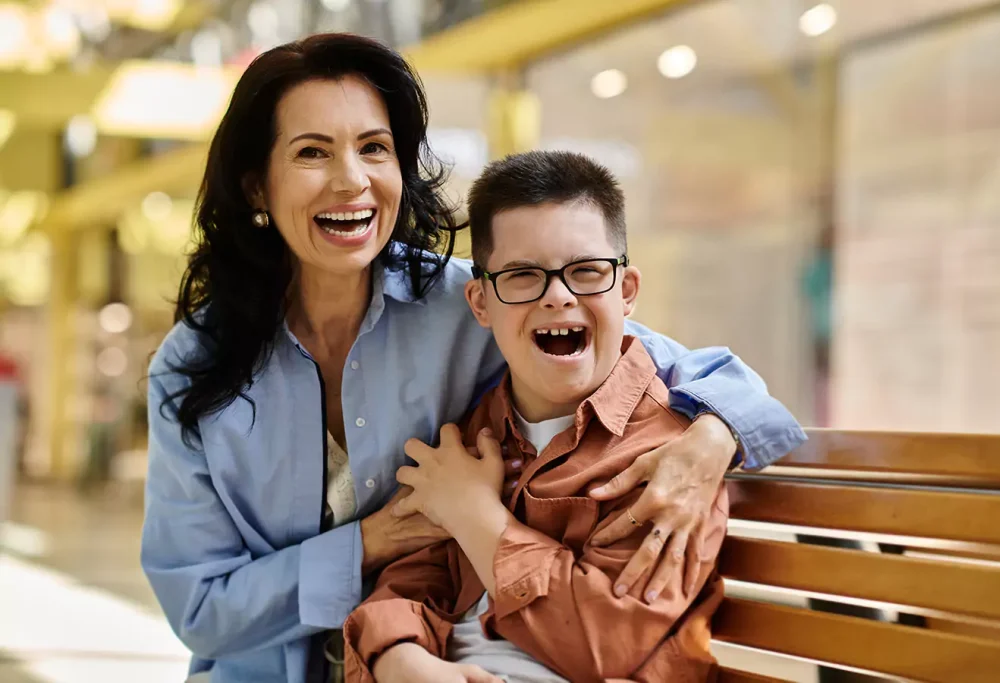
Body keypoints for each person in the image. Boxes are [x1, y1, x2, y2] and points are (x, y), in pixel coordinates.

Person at [141, 33, 806, 683]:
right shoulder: (194, 364)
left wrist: (713, 437)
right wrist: (369, 543)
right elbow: (200, 609)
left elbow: (655, 357)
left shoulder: (469, 304)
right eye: (313, 152)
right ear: (257, 187)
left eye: (375, 148)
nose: (352, 180)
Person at [343, 151, 729, 683]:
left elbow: (603, 644)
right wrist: (399, 656)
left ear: (627, 291)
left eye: (586, 271)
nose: (558, 297)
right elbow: (414, 578)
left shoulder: (667, 458)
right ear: (480, 303)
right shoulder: (477, 430)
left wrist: (477, 515)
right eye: (523, 276)